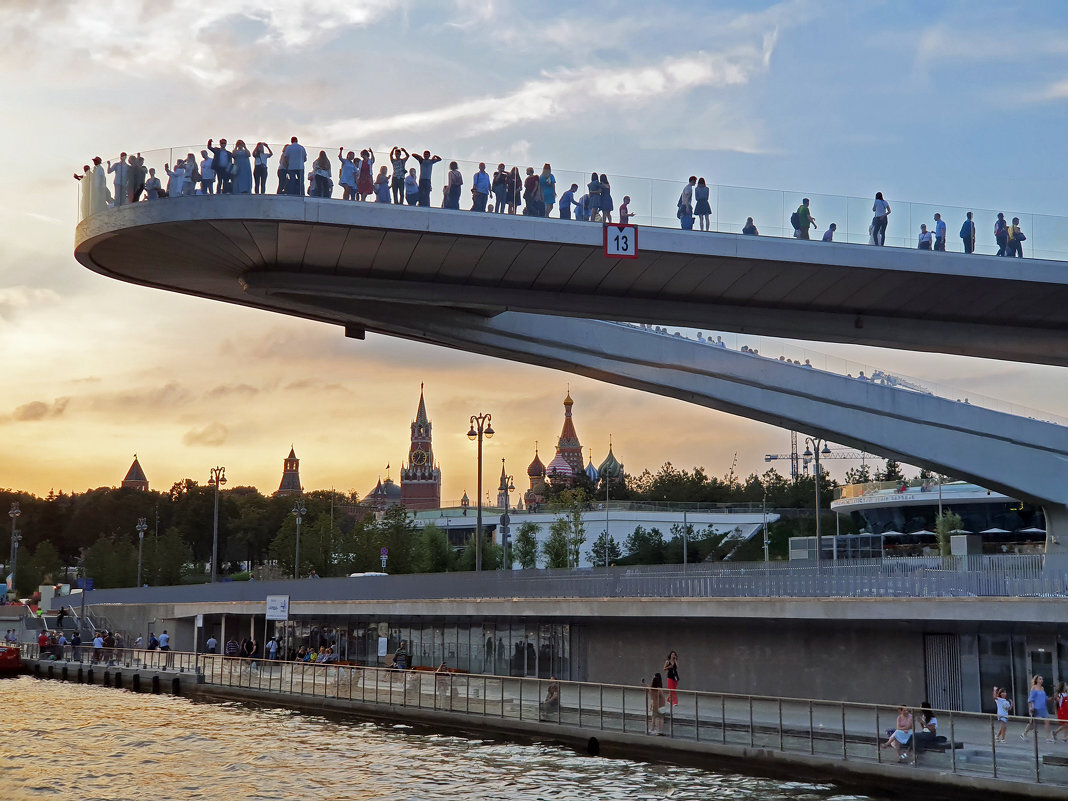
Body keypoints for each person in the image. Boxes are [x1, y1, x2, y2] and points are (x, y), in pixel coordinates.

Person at [1021, 675, 1053, 741]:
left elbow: (1043, 697)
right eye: (1040, 679)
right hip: (1036, 707)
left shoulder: (1042, 688)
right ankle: (1024, 733)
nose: (1041, 680)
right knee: (1032, 723)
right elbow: (1031, 698)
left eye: (1042, 679)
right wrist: (1031, 706)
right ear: (1037, 680)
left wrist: (1050, 698)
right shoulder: (1034, 688)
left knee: (1047, 721)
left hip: (1043, 707)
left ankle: (1048, 737)